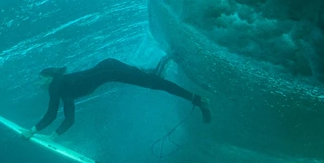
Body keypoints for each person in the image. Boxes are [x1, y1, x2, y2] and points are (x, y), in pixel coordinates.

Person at [22, 57, 212, 139]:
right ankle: (165, 64)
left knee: (155, 83)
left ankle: (198, 99)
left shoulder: (56, 85)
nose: (38, 83)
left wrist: (32, 131)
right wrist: (53, 138)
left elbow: (51, 112)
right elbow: (69, 119)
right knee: (153, 82)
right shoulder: (63, 89)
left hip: (110, 69)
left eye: (40, 79)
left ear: (48, 77)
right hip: (110, 69)